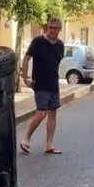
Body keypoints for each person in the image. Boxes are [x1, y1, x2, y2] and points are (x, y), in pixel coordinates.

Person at [19, 17, 67, 155]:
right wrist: (25, 79)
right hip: (40, 84)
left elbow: (56, 63)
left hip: (54, 85)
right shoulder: (38, 42)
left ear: (59, 30)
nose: (52, 30)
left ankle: (49, 144)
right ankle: (26, 139)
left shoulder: (60, 45)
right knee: (42, 112)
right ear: (47, 27)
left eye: (55, 28)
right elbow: (26, 58)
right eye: (50, 27)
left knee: (52, 114)